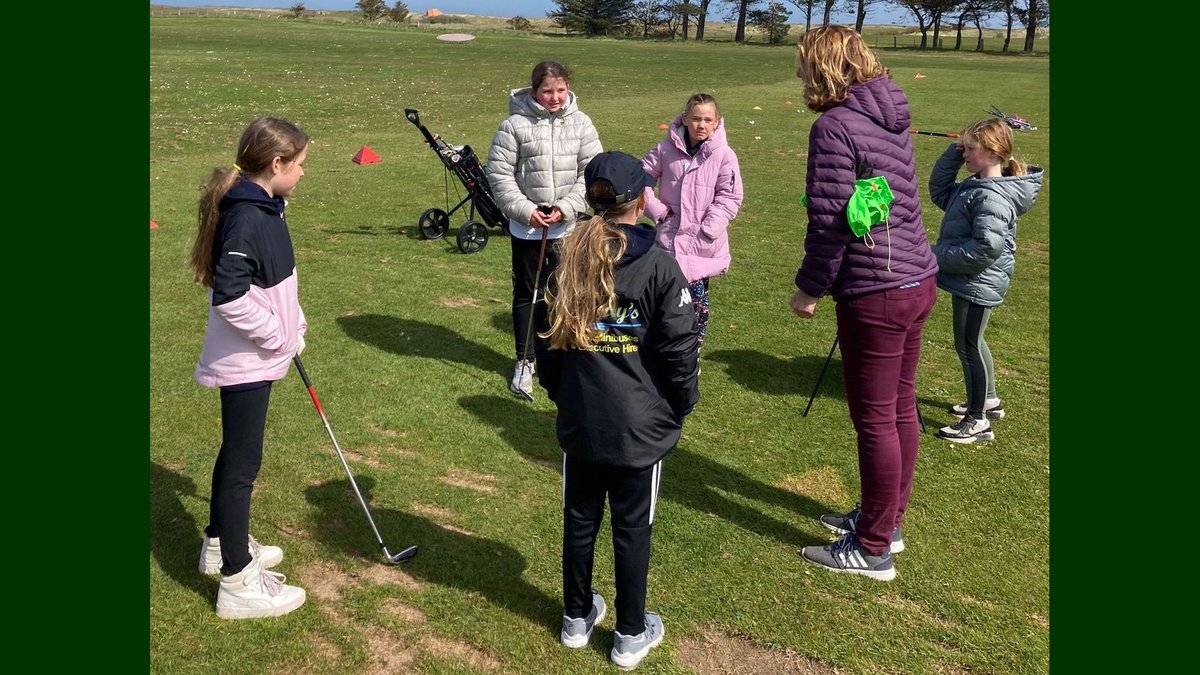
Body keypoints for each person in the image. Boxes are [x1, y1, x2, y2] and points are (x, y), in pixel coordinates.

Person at [535, 151, 699, 669]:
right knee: (627, 528)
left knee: (581, 519)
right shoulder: (584, 257)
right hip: (625, 424)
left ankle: (581, 617)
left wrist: (567, 396)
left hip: (600, 419)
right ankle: (623, 631)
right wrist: (680, 406)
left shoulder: (642, 262)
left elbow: (545, 349)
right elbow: (681, 353)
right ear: (641, 200)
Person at [788, 26, 938, 581]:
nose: (799, 73)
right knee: (899, 408)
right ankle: (886, 521)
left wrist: (810, 288)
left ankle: (873, 547)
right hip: (915, 279)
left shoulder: (834, 125)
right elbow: (866, 200)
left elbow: (829, 222)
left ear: (824, 65)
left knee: (876, 419)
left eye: (803, 63)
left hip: (878, 290)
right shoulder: (888, 113)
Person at [189, 117, 310, 619]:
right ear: (276, 164)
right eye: (300, 165)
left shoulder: (265, 206)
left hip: (257, 355)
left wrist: (293, 322)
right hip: (245, 361)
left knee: (236, 455)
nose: (304, 174)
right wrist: (278, 335)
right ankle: (238, 581)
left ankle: (220, 544)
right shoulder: (247, 216)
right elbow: (231, 296)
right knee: (243, 465)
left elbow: (273, 285)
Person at [487, 59, 603, 400]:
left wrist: (567, 206)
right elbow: (500, 175)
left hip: (567, 227)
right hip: (528, 228)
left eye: (561, 90)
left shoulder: (582, 123)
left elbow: (591, 171)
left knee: (566, 293)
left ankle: (563, 354)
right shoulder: (514, 125)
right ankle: (525, 361)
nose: (555, 98)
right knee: (528, 294)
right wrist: (526, 211)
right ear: (534, 91)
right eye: (547, 91)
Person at [929, 118, 1043, 444]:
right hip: (972, 279)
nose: (965, 153)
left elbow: (985, 249)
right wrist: (955, 153)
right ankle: (989, 401)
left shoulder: (991, 196)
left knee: (968, 347)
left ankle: (977, 421)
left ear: (993, 153)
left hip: (977, 281)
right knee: (974, 342)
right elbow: (939, 191)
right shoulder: (976, 185)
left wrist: (935, 256)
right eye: (962, 147)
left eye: (970, 148)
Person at [641, 93, 744, 350]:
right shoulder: (665, 149)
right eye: (696, 118)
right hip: (668, 241)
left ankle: (690, 354)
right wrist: (657, 211)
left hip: (701, 244)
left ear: (717, 121)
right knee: (661, 299)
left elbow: (730, 196)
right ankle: (661, 351)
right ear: (685, 119)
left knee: (695, 305)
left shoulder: (724, 155)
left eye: (708, 119)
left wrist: (710, 227)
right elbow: (639, 179)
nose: (701, 125)